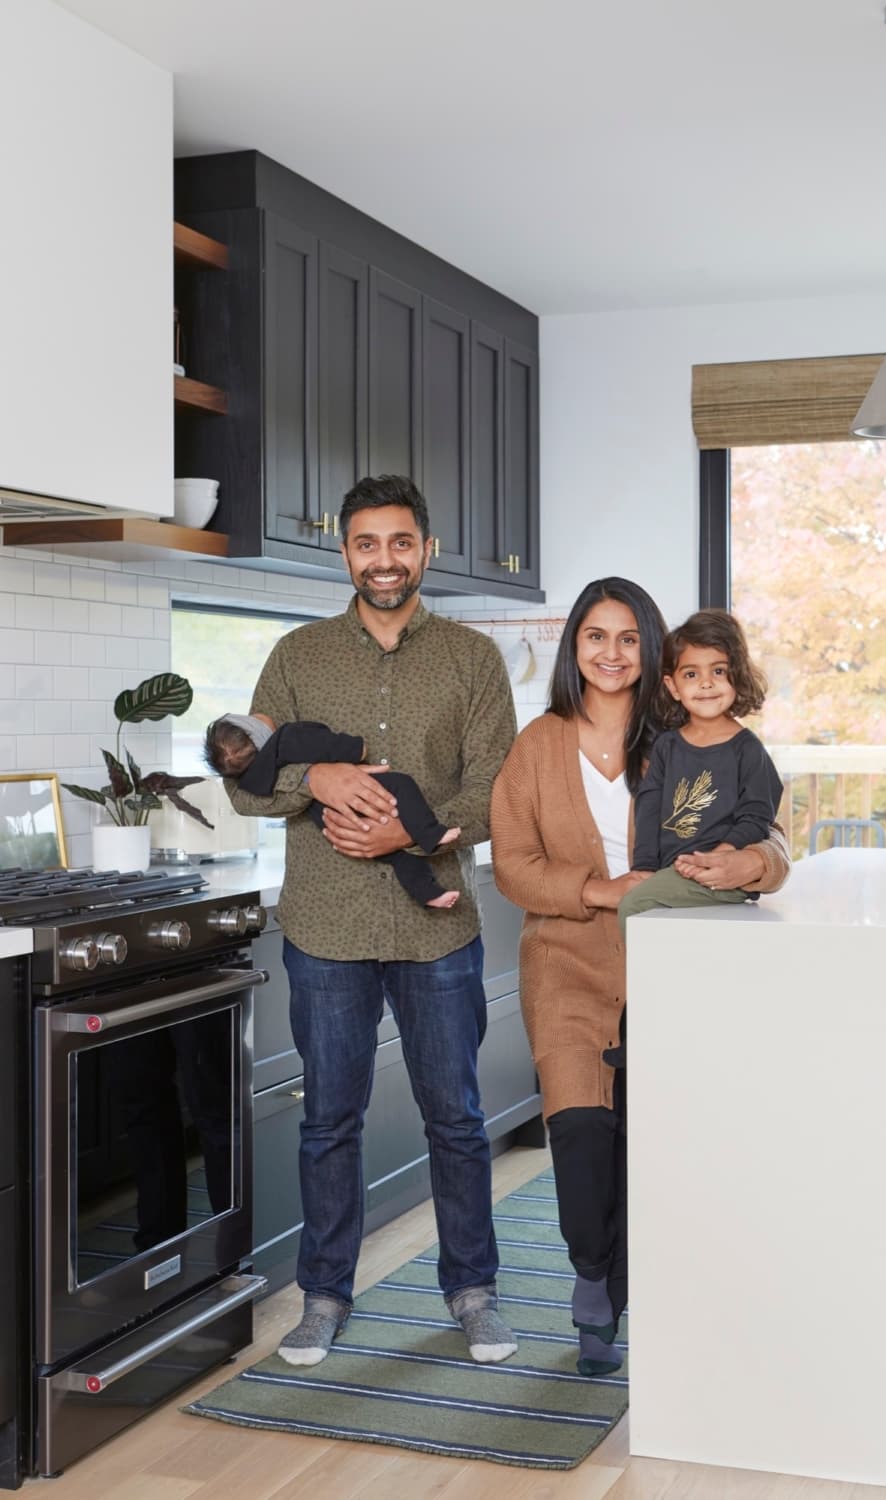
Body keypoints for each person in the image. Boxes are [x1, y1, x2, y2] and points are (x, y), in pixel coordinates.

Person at [224, 474, 518, 1367]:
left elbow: (500, 791)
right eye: (365, 543)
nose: (382, 560)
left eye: (399, 543)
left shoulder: (473, 659)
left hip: (437, 930)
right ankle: (323, 1297)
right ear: (344, 552)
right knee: (329, 1123)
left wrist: (411, 825)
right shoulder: (297, 657)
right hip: (326, 928)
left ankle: (473, 1291)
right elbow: (246, 776)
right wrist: (309, 778)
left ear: (426, 550)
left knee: (457, 1120)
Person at [489, 577, 790, 1377]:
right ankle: (593, 1277)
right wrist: (595, 889)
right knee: (583, 1142)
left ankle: (649, 1299)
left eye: (630, 638)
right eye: (596, 636)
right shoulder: (537, 745)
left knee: (660, 1151)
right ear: (574, 646)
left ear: (654, 652)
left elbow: (776, 841)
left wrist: (748, 861)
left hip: (678, 969)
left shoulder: (694, 733)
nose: (612, 653)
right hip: (567, 968)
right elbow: (513, 865)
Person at [617, 609, 784, 926]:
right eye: (691, 674)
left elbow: (758, 814)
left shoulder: (747, 750)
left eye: (719, 671)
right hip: (673, 874)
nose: (706, 683)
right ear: (673, 686)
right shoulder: (667, 747)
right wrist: (645, 868)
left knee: (632, 907)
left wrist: (722, 855)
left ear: (738, 676)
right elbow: (649, 807)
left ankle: (642, 978)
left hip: (724, 877)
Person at [206, 711, 461, 908]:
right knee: (402, 785)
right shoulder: (289, 738)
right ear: (258, 734)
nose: (261, 713)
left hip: (329, 818)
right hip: (360, 791)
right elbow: (350, 748)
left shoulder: (253, 780)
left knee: (397, 857)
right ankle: (431, 833)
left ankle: (429, 894)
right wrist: (355, 746)